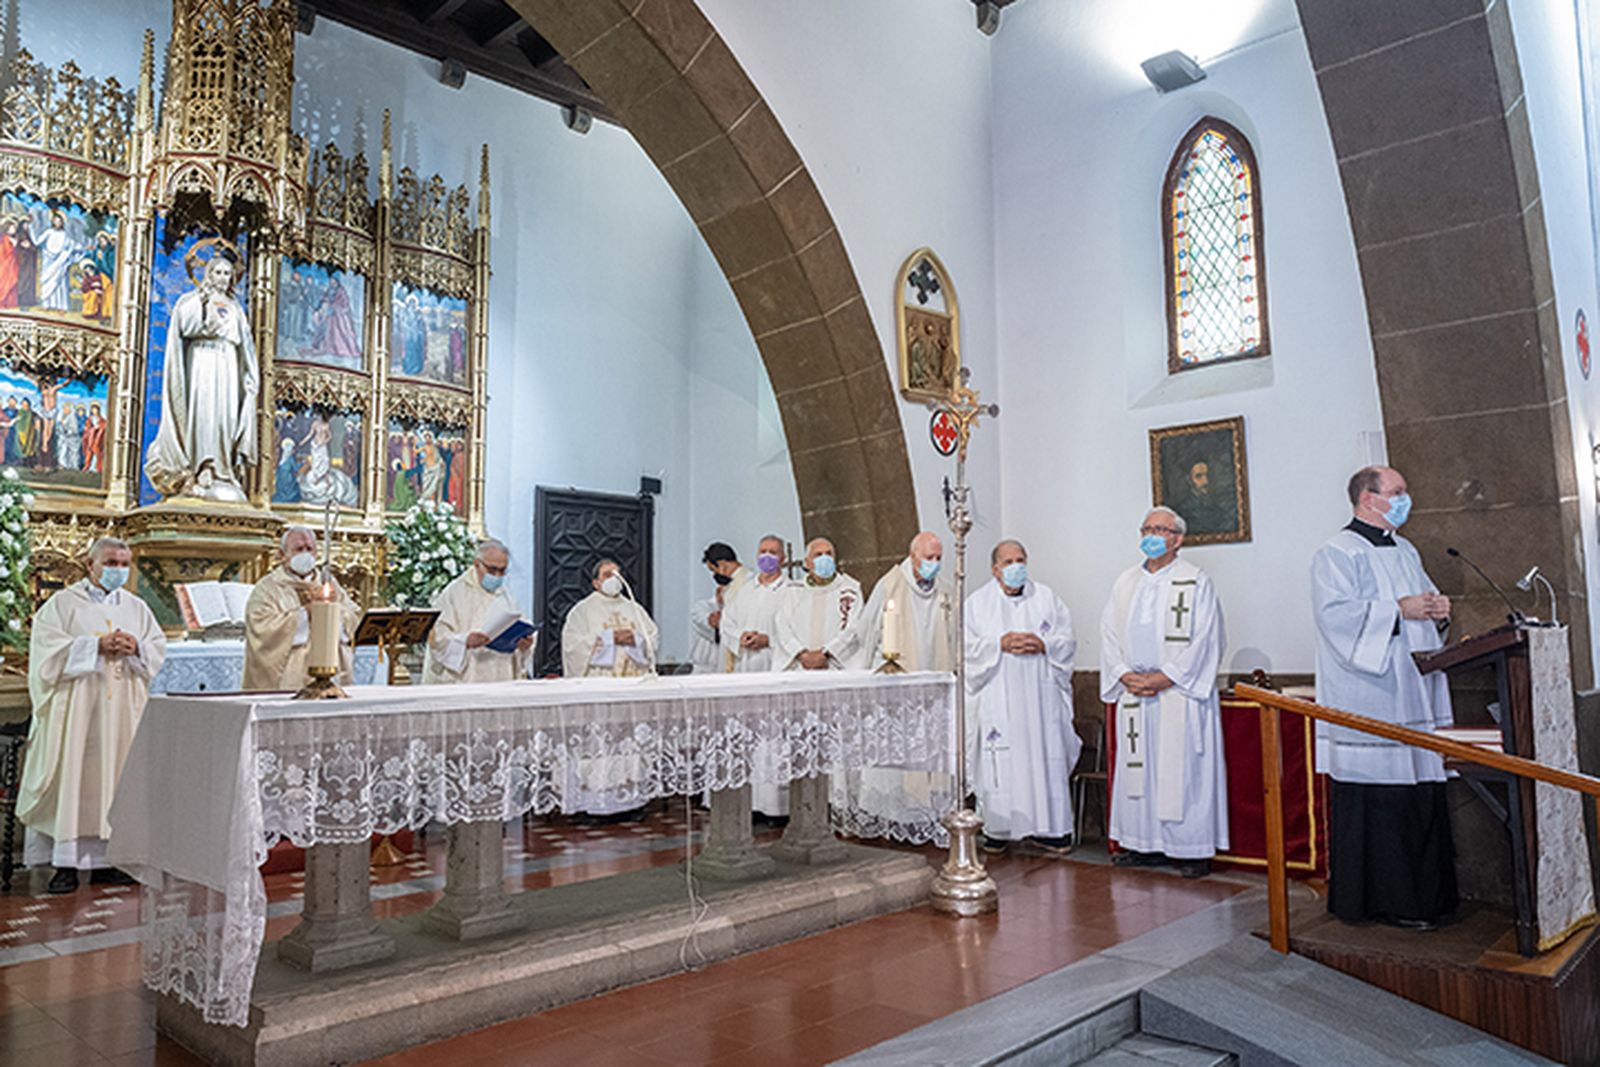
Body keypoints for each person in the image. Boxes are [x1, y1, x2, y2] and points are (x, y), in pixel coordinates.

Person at [1313, 465, 1458, 929]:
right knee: (1381, 804)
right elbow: (1335, 618)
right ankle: (1383, 902)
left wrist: (1437, 612)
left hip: (1414, 691)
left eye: (1404, 491)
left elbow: (1422, 605)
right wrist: (1399, 610)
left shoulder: (1406, 549)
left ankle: (1429, 899)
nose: (1404, 498)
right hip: (1371, 695)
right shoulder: (1336, 553)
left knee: (1420, 795)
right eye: (1396, 492)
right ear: (1367, 499)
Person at [20, 537, 166, 893]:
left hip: (122, 714)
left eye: (124, 563)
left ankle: (109, 861)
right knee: (77, 780)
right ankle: (66, 865)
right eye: (112, 562)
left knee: (118, 782)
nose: (119, 569)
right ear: (90, 564)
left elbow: (156, 648)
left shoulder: (136, 606)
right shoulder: (62, 605)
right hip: (79, 713)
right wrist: (94, 646)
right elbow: (45, 653)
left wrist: (137, 648)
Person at [1100, 507, 1228, 878]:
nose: (1151, 534)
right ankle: (1143, 844)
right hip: (1135, 693)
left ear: (1177, 538)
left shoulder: (1195, 581)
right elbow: (1108, 633)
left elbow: (1207, 638)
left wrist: (1167, 676)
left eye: (1160, 529)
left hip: (1178, 695)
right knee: (1141, 772)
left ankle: (1189, 850)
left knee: (1181, 772)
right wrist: (1125, 674)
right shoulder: (1125, 582)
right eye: (1147, 528)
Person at [839, 532, 957, 841]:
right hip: (897, 690)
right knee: (896, 758)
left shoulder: (945, 591)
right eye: (928, 558)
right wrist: (870, 675)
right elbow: (865, 633)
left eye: (938, 558)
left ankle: (929, 816)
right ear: (912, 555)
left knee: (930, 755)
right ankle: (892, 819)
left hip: (934, 692)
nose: (934, 564)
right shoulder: (890, 584)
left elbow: (955, 638)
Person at [965, 539, 1078, 855]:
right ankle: (999, 829)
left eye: (1021, 560)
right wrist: (998, 644)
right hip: (997, 697)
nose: (1016, 567)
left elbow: (1067, 640)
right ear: (995, 568)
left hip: (1040, 700)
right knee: (1000, 757)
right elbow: (965, 650)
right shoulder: (976, 604)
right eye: (1008, 561)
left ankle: (1051, 830)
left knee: (1043, 756)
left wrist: (1045, 645)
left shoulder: (1047, 598)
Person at [143, 251, 260, 502]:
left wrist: (250, 379)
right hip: (202, 362)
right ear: (208, 274)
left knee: (225, 416)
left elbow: (246, 346)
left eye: (228, 273)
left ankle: (224, 470)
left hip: (228, 364)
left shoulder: (236, 308)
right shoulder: (193, 300)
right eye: (218, 272)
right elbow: (185, 326)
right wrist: (203, 306)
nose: (223, 278)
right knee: (204, 414)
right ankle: (202, 466)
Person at [719, 535, 798, 815]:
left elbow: (797, 632)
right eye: (763, 551)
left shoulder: (792, 591)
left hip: (775, 669)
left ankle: (777, 807)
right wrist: (741, 636)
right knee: (751, 737)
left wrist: (770, 640)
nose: (768, 557)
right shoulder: (745, 591)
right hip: (748, 670)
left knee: (776, 738)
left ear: (783, 559)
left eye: (773, 552)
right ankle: (752, 804)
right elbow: (727, 623)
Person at [242, 526, 360, 691]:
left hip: (331, 674)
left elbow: (354, 619)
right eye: (298, 549)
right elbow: (260, 628)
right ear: (282, 555)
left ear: (316, 554)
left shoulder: (329, 584)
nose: (305, 554)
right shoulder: (268, 587)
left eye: (309, 549)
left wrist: (334, 610)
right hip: (288, 679)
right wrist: (306, 613)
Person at [422, 538, 535, 684]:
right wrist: (465, 641)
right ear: (476, 564)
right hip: (467, 679)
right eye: (492, 570)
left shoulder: (506, 596)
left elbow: (522, 628)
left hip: (500, 675)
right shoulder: (454, 593)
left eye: (502, 571)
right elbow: (437, 639)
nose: (497, 576)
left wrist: (525, 644)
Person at [774, 537, 865, 671]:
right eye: (818, 555)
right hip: (800, 666)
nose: (825, 558)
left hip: (835, 666)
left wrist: (827, 653)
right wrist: (801, 653)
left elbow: (854, 627)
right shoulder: (792, 591)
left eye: (829, 554)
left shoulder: (850, 590)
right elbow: (782, 625)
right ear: (807, 563)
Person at [561, 559, 659, 678]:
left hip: (633, 678)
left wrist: (636, 640)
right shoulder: (582, 610)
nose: (614, 579)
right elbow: (572, 646)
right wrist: (610, 638)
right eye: (608, 575)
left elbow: (652, 638)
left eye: (617, 575)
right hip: (599, 681)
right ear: (596, 583)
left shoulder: (634, 608)